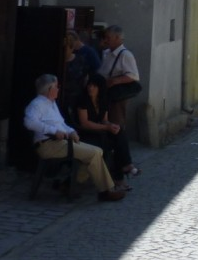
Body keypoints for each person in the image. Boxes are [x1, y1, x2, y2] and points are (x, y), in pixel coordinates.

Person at [23, 74, 125, 202]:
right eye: (56, 87)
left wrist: (71, 131)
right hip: (48, 144)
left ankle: (69, 185)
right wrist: (53, 131)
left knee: (98, 151)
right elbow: (29, 122)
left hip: (61, 142)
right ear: (48, 89)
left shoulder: (51, 104)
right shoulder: (37, 104)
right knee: (93, 153)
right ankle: (106, 191)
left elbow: (62, 123)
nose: (58, 89)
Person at [75, 73, 134, 187]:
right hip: (86, 134)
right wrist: (106, 127)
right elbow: (85, 123)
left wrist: (111, 126)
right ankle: (118, 176)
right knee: (110, 145)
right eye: (89, 85)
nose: (90, 88)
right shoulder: (83, 100)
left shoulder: (103, 100)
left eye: (94, 86)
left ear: (100, 88)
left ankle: (124, 168)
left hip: (99, 132)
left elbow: (104, 120)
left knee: (119, 132)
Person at [98, 25, 140, 127]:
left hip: (116, 94)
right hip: (104, 91)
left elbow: (133, 76)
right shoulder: (106, 52)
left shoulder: (126, 55)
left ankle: (118, 140)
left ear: (117, 38)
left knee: (116, 121)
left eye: (109, 38)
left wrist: (114, 81)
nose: (106, 40)